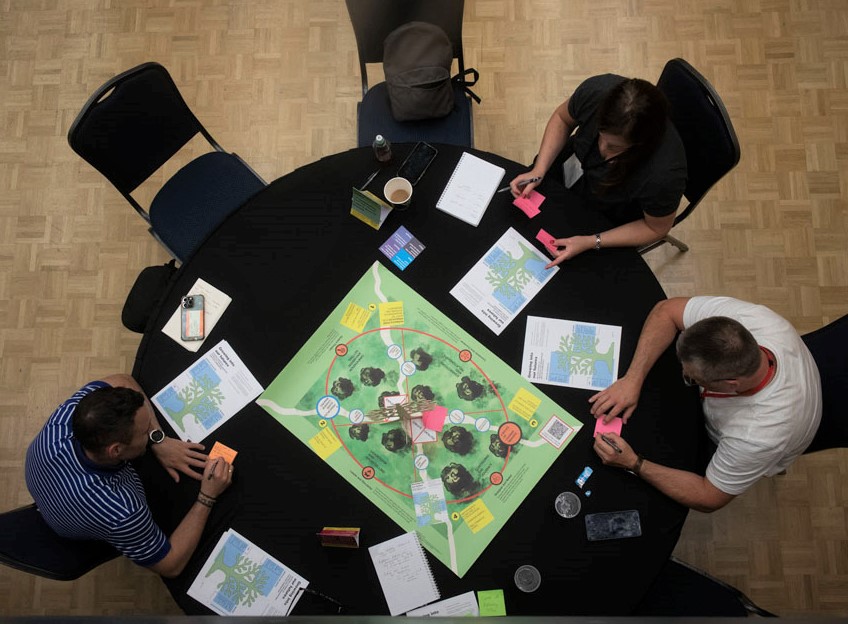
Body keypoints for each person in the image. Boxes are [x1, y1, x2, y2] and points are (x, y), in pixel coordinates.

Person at [589, 297, 821, 513]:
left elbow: (709, 497)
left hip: (733, 440)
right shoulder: (749, 322)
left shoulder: (757, 436)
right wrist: (632, 379)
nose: (685, 376)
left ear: (731, 384)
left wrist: (633, 462)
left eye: (692, 378)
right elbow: (666, 311)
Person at [25, 374, 233, 578]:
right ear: (116, 451)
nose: (149, 431)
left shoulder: (66, 418)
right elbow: (170, 565)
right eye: (145, 432)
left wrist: (158, 439)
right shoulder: (123, 512)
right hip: (70, 523)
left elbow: (124, 381)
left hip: (48, 487)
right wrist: (207, 495)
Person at [509, 74, 687, 266]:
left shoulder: (663, 176)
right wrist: (539, 169)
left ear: (640, 145)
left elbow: (655, 228)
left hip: (613, 212)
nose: (602, 149)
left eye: (614, 147)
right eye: (601, 136)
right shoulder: (597, 91)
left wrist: (592, 241)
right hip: (573, 168)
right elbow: (562, 118)